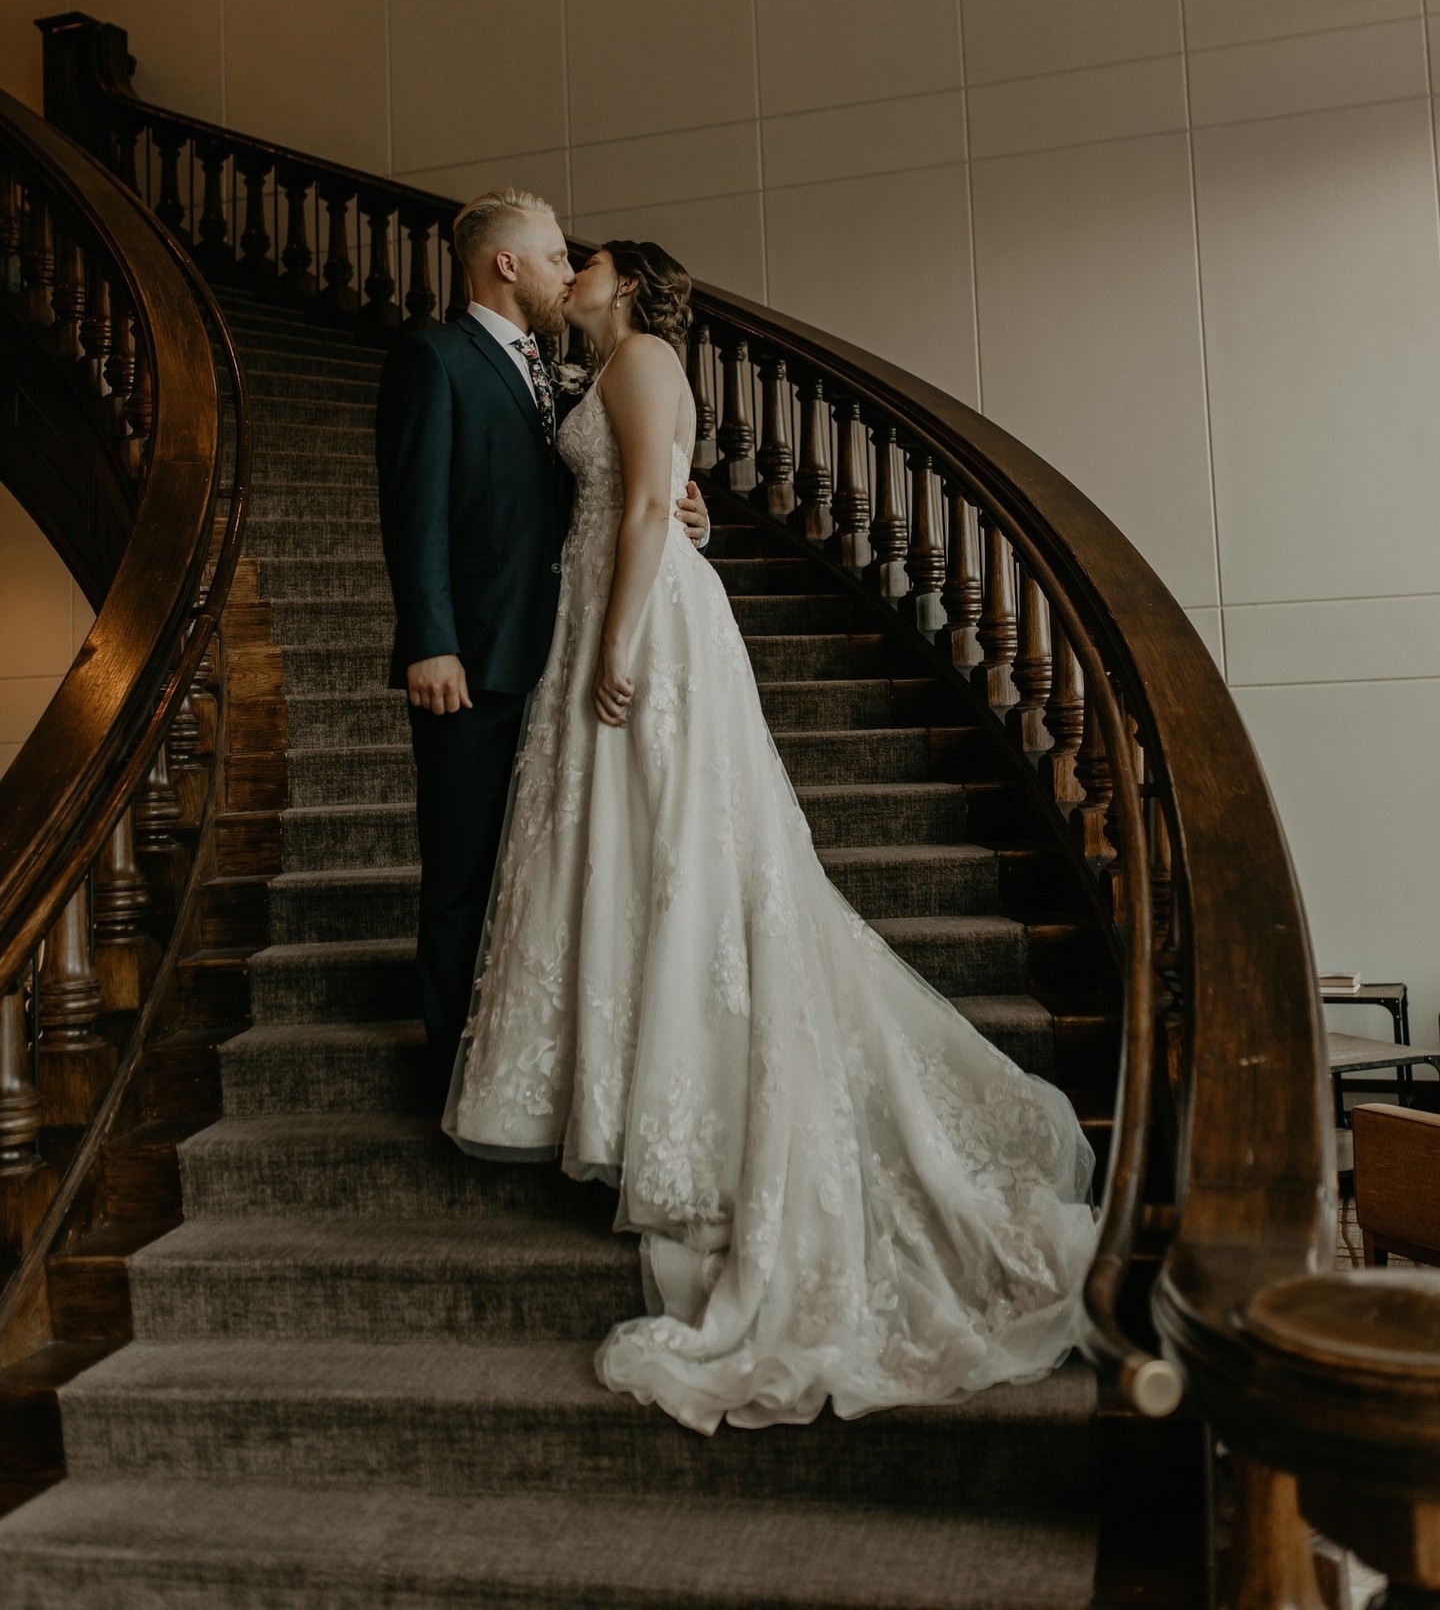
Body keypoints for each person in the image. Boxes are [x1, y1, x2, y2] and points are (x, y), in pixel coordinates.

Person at [445, 238, 1098, 1435]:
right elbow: (647, 495)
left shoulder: (642, 356)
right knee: (631, 856)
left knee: (691, 854)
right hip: (613, 600)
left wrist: (622, 644)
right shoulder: (600, 374)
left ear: (627, 283)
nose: (572, 269)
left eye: (586, 259)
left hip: (646, 626)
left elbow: (649, 500)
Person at [374, 191, 708, 1100]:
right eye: (556, 255)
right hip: (473, 660)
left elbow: (611, 492)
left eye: (575, 259)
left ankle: (531, 1057)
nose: (570, 269)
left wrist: (684, 500)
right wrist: (429, 640)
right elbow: (416, 516)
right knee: (462, 868)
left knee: (544, 872)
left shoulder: (566, 367)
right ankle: (454, 1069)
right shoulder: (434, 361)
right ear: (504, 265)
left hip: (561, 653)